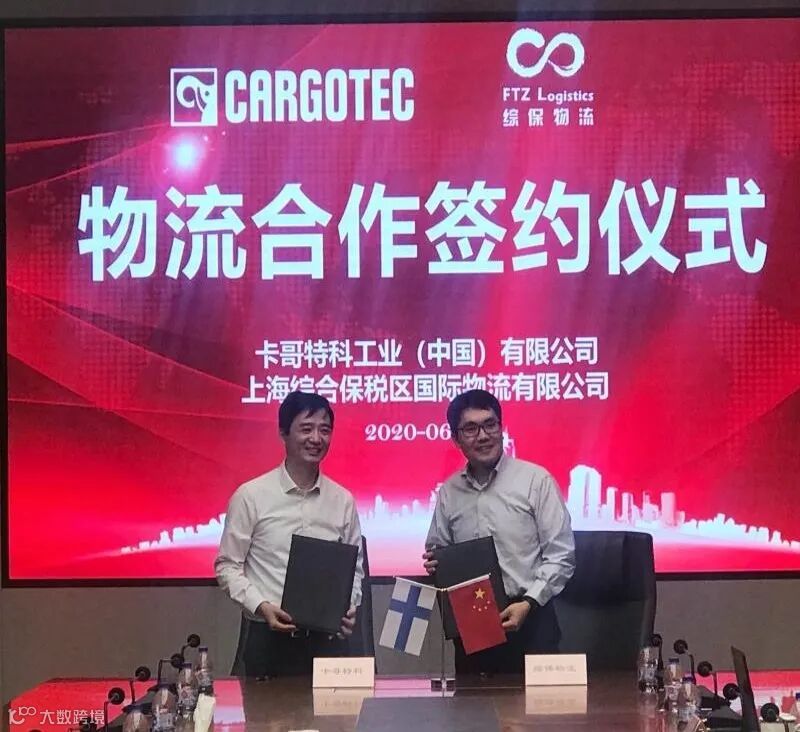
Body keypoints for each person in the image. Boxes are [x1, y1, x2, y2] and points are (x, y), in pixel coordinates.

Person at [423, 389, 575, 675]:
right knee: (473, 702)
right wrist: (436, 564)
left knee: (539, 705)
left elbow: (561, 556)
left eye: (490, 424)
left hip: (531, 617)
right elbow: (438, 549)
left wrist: (529, 602)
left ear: (501, 428)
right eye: (471, 429)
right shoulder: (449, 492)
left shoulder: (536, 481)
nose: (483, 436)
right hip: (474, 620)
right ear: (456, 439)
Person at [215, 391, 364, 678]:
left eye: (324, 430)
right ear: (283, 432)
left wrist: (349, 605)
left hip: (328, 643)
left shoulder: (342, 500)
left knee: (334, 711)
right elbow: (227, 566)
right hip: (269, 640)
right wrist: (261, 606)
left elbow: (354, 569)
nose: (316, 438)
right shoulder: (251, 496)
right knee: (265, 710)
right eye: (306, 429)